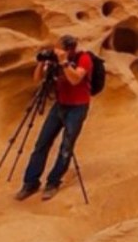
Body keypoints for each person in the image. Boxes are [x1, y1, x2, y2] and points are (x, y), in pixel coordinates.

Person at [15, 35, 93, 201]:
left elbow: (75, 79)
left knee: (66, 146)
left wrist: (64, 62)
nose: (57, 51)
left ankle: (53, 182)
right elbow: (37, 79)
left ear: (70, 49)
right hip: (60, 105)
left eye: (60, 48)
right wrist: (42, 62)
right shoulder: (54, 60)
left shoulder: (84, 58)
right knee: (42, 143)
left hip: (78, 107)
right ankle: (30, 183)